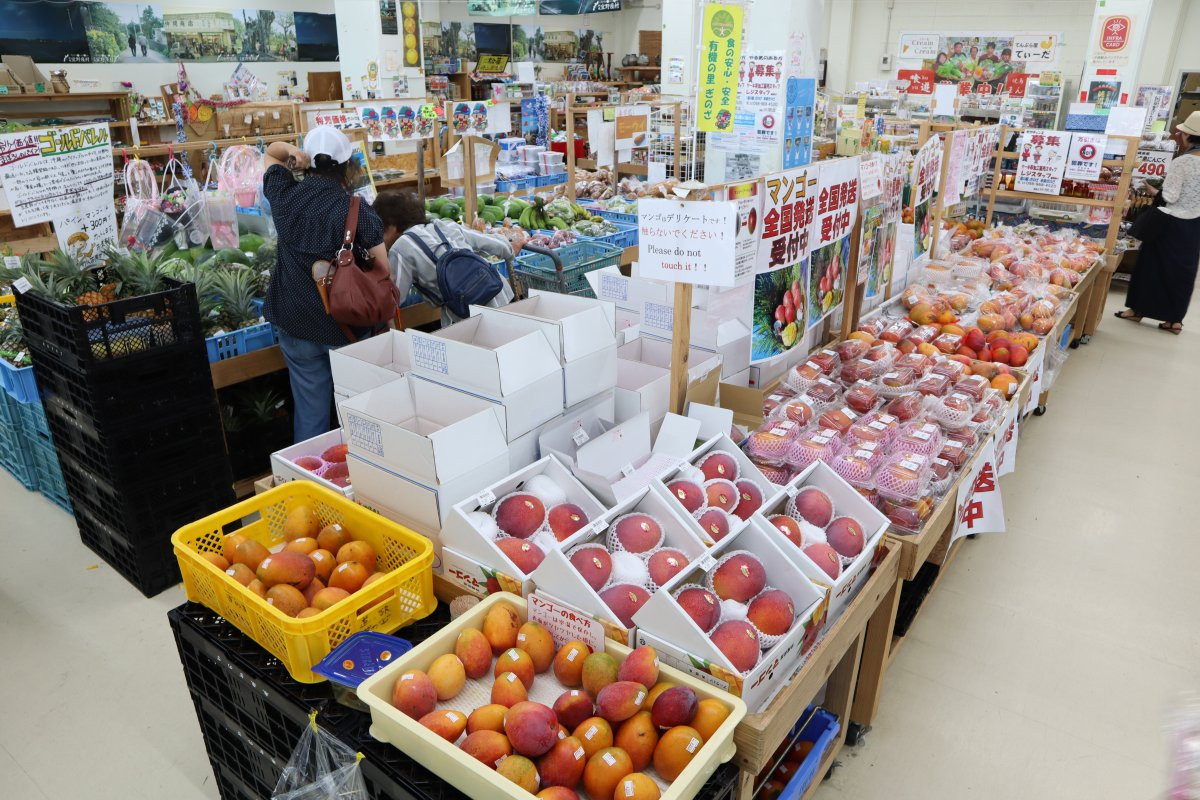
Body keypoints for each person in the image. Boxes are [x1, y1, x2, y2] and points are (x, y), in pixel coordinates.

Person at [261, 126, 390, 441]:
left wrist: (292, 153)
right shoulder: (357, 211)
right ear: (346, 167)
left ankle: (309, 476)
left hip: (295, 321)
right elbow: (383, 270)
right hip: (345, 324)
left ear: (309, 162)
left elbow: (269, 154)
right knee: (360, 412)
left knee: (310, 413)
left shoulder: (284, 195)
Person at [372, 190, 515, 326]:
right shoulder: (444, 225)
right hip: (499, 294)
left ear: (391, 227)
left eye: (380, 231)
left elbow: (394, 299)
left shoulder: (400, 248)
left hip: (468, 316)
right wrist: (512, 248)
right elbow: (501, 246)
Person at [1115, 112, 1200, 334]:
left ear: (1189, 136)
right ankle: (1175, 321)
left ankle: (1137, 310)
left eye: (1182, 133)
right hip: (1194, 225)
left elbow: (1169, 196)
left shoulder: (1183, 162)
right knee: (1183, 272)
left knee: (1150, 265)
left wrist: (1153, 190)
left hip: (1170, 222)